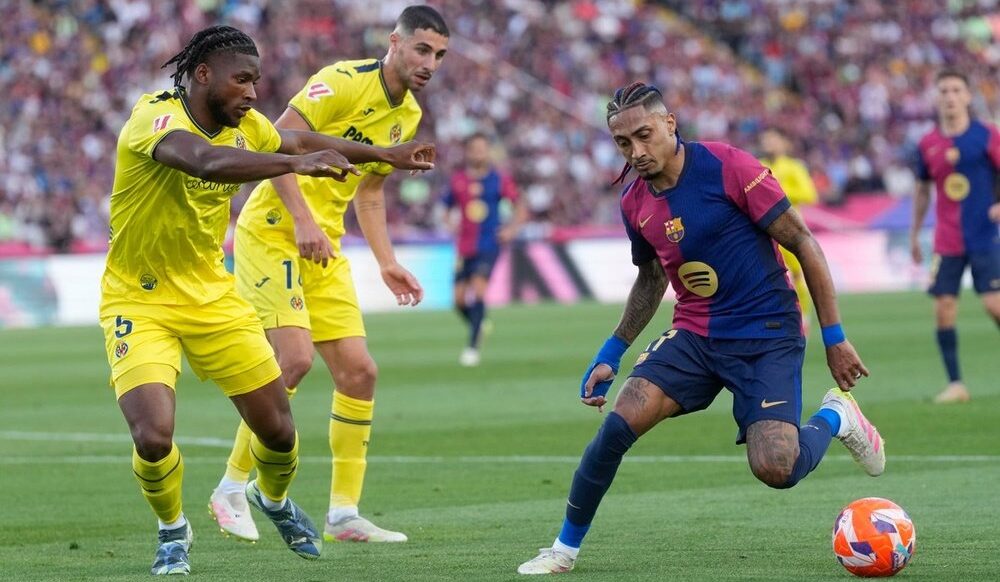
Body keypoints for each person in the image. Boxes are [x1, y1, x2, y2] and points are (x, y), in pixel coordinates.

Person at [101, 25, 435, 575]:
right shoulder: (154, 117)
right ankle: (172, 530)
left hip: (213, 296)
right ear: (203, 74)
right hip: (138, 300)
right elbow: (205, 161)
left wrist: (384, 154)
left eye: (255, 82)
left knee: (279, 433)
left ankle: (273, 500)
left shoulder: (248, 126)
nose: (253, 93)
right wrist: (293, 165)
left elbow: (298, 141)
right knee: (153, 436)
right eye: (242, 81)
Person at [517, 82, 884, 575]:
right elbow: (651, 279)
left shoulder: (730, 167)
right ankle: (563, 550)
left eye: (644, 135)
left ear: (670, 123)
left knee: (777, 468)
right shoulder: (634, 202)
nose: (636, 151)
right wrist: (612, 350)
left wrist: (834, 338)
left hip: (766, 331)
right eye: (623, 143)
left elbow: (803, 243)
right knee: (617, 425)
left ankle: (836, 416)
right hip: (695, 333)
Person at [208, 6, 449, 545]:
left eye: (438, 55)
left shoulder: (408, 115)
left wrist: (386, 261)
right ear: (394, 42)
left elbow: (370, 193)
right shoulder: (342, 80)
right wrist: (301, 220)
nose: (430, 63)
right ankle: (231, 487)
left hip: (325, 246)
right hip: (274, 231)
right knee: (293, 359)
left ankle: (343, 513)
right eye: (422, 49)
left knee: (360, 372)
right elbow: (278, 141)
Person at [911, 69, 1000, 404]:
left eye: (956, 90)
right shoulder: (927, 144)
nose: (949, 96)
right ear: (937, 97)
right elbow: (922, 190)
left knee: (994, 305)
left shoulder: (986, 135)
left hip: (985, 234)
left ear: (967, 96)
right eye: (944, 90)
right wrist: (915, 233)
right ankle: (956, 384)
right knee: (944, 308)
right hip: (947, 238)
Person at [443, 132, 526, 366]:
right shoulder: (458, 180)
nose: (479, 153)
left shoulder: (498, 179)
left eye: (483, 149)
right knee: (458, 300)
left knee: (479, 290)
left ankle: (472, 348)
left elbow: (519, 205)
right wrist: (449, 223)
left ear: (488, 151)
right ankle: (479, 323)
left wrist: (512, 229)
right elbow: (445, 207)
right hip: (464, 247)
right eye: (475, 149)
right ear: (468, 152)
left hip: (489, 244)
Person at [759, 127, 819, 333]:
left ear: (784, 143)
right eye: (765, 139)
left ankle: (804, 318)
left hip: (791, 230)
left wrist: (778, 188)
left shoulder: (794, 167)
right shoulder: (758, 165)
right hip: (765, 231)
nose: (768, 143)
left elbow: (809, 194)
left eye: (772, 139)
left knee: (798, 275)